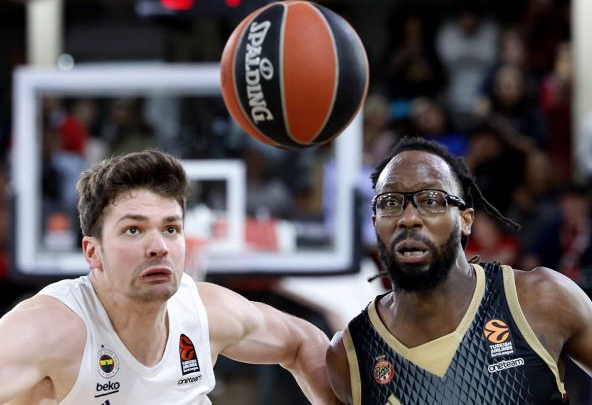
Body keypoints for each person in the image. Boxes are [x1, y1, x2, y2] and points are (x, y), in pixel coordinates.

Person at [0, 149, 339, 405]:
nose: (159, 247)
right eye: (134, 230)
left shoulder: (205, 313)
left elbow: (304, 341)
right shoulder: (48, 330)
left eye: (171, 229)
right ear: (93, 252)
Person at [326, 136, 592, 404]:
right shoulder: (349, 357)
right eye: (390, 202)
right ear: (375, 223)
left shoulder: (541, 299)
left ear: (466, 220)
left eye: (431, 200)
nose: (409, 218)